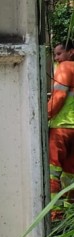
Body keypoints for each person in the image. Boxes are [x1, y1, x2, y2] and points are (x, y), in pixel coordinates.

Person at [48, 40, 74, 222]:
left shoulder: (65, 67)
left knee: (53, 173)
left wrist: (45, 115)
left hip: (62, 128)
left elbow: (59, 97)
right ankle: (69, 216)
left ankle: (55, 217)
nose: (56, 58)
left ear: (71, 52)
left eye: (59, 54)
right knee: (70, 175)